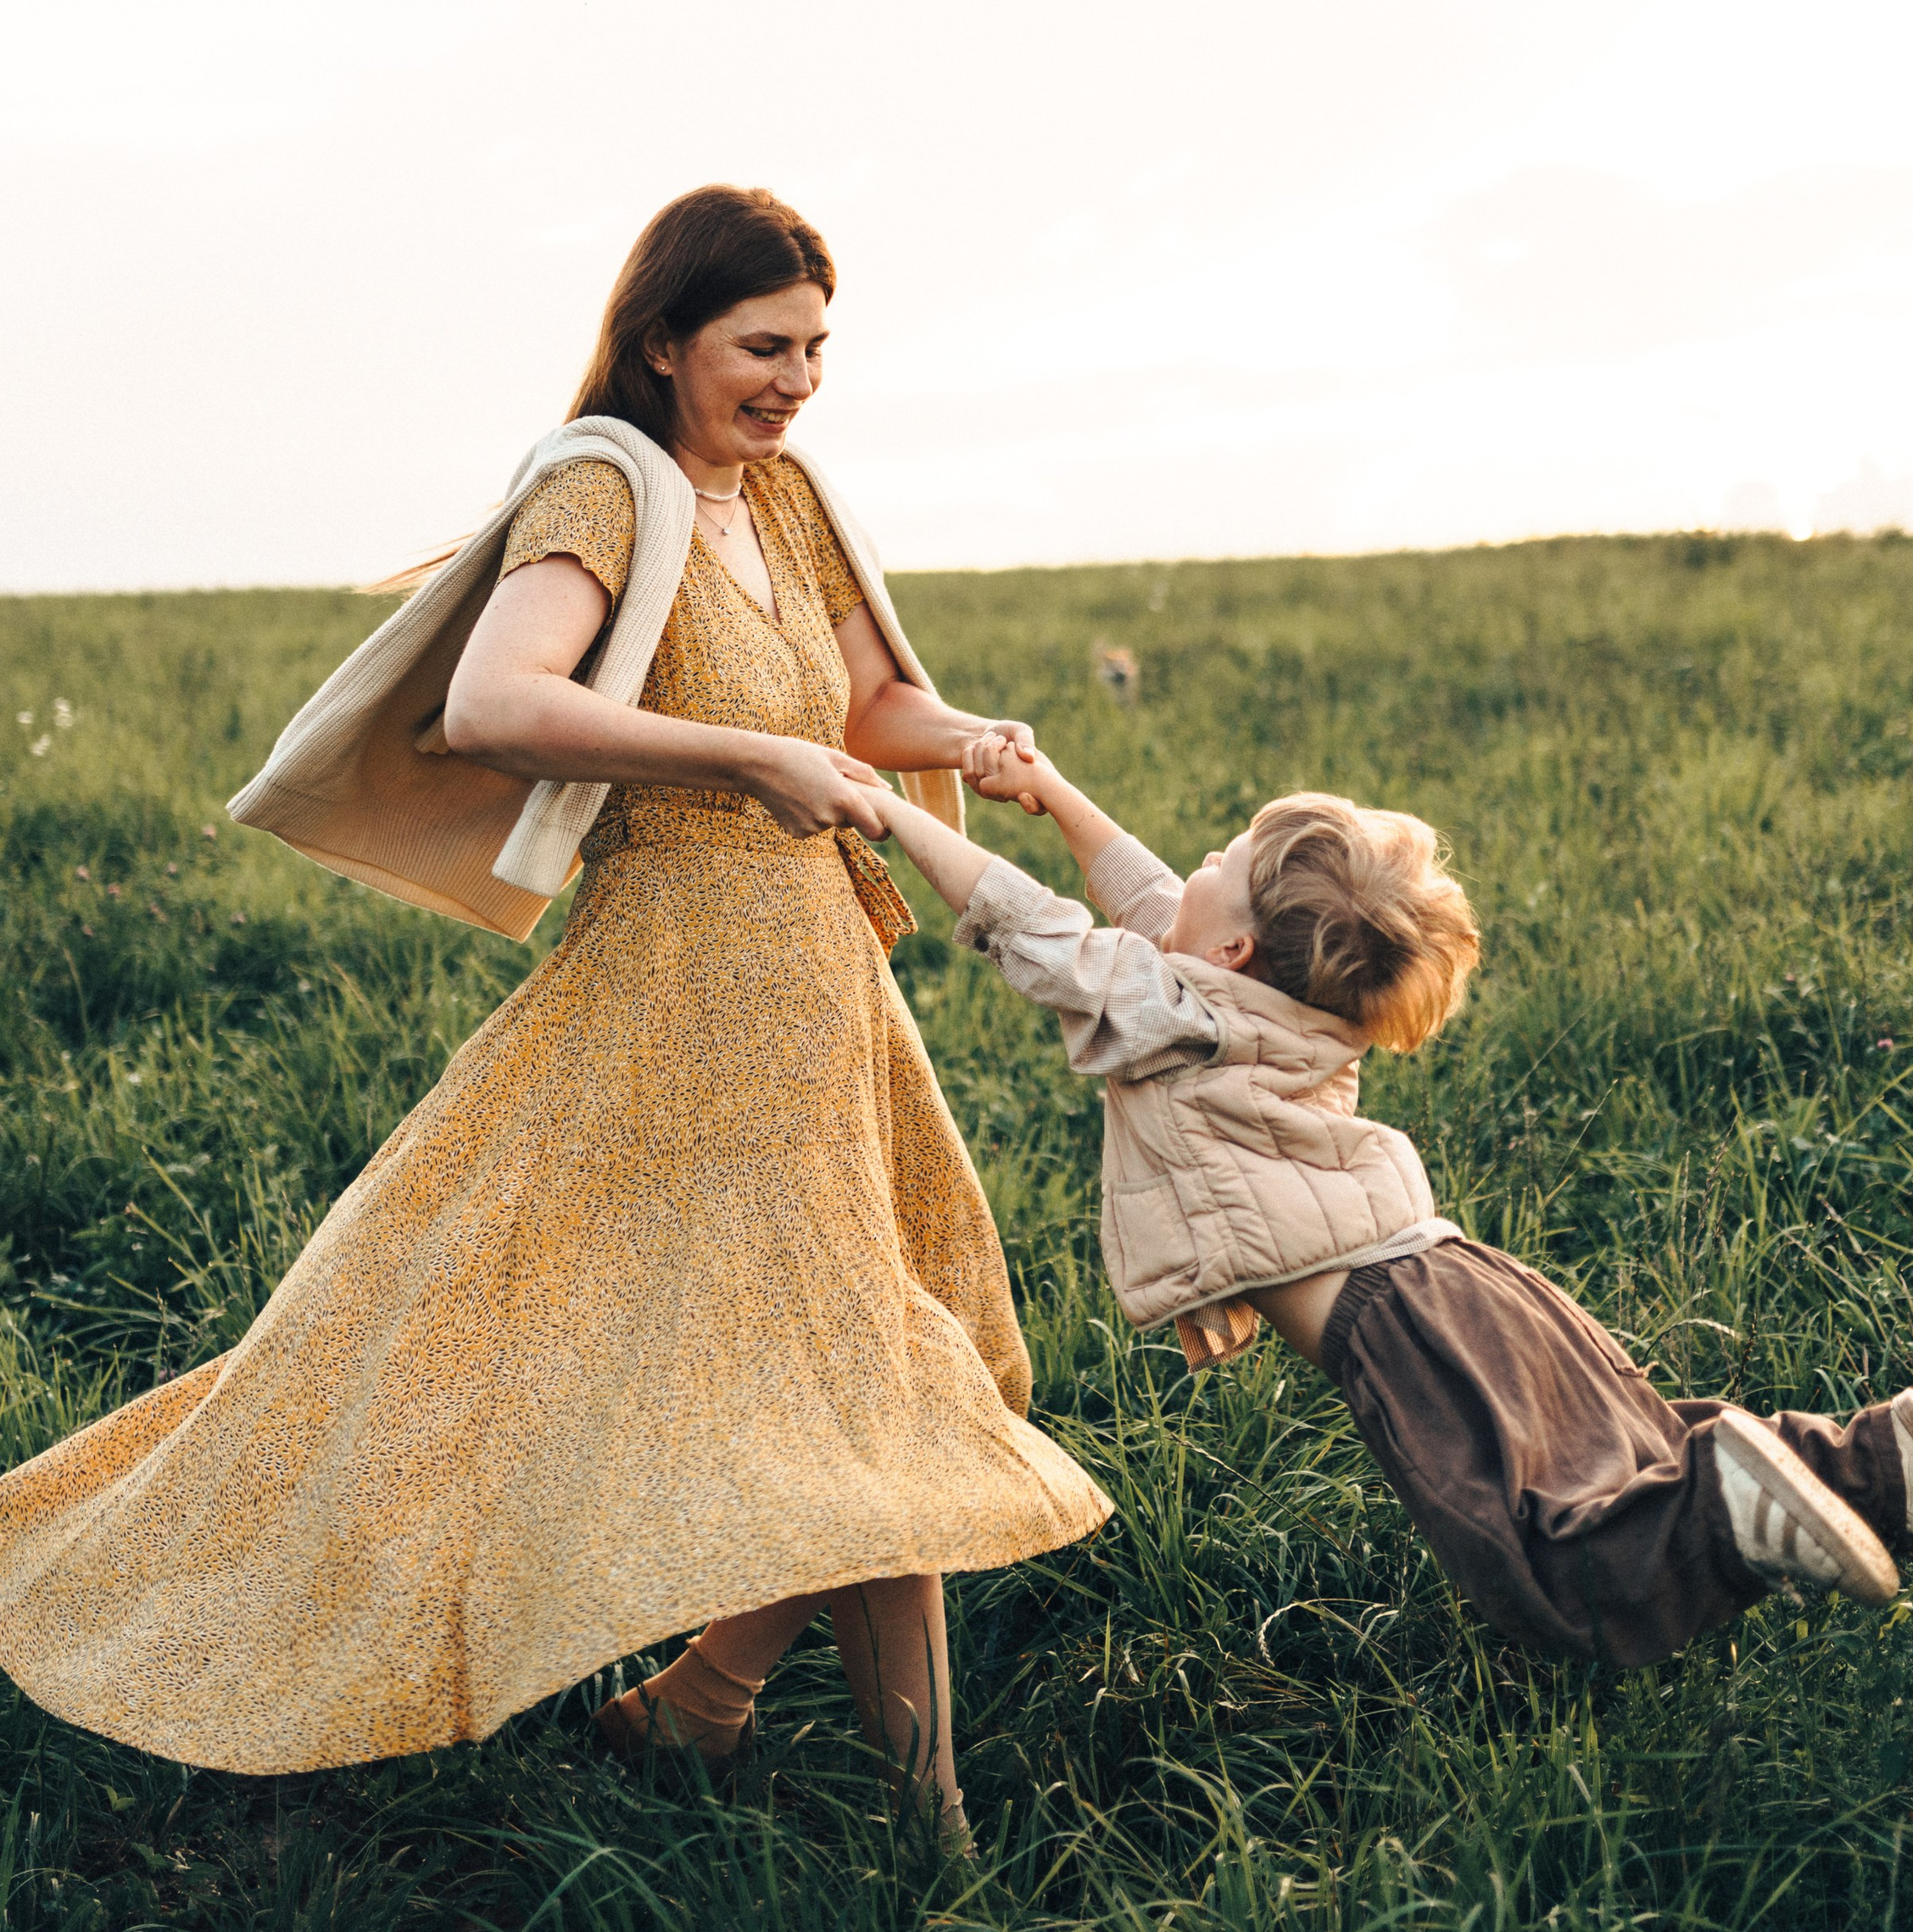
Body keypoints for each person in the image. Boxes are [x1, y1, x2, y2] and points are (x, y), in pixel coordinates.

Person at [0, 187, 1107, 1836]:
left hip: (816, 990)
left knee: (860, 1384)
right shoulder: (605, 485)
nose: (795, 379)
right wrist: (747, 758)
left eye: (815, 347)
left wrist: (967, 734)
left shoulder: (785, 497)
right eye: (759, 347)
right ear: (662, 342)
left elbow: (863, 703)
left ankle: (703, 1707)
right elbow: (496, 704)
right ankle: (924, 1836)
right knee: (831, 1386)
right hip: (678, 989)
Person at [874, 751, 1913, 1676]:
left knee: (1540, 1563)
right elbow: (1154, 904)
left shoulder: (1181, 1008)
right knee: (1625, 1452)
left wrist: (891, 814)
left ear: (1234, 950)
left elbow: (1041, 932)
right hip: (1467, 1274)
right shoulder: (1263, 995)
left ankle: (1727, 1504)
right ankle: (1879, 1462)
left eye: (1215, 861)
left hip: (1399, 1327)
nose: (1191, 866)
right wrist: (1055, 792)